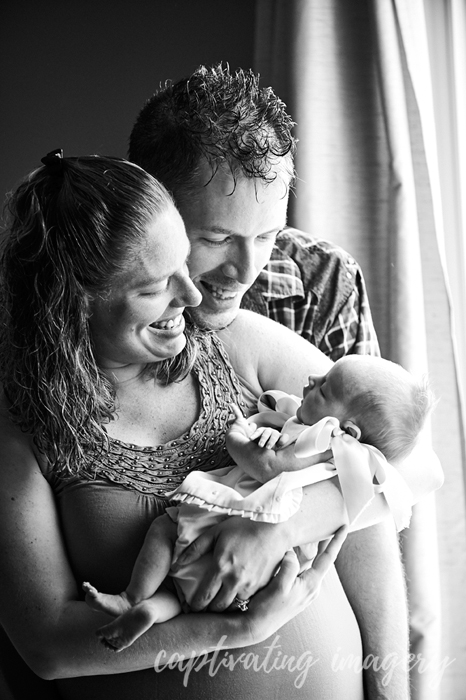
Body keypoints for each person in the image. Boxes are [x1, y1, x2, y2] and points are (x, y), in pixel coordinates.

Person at [0, 150, 376, 700]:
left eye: (184, 262)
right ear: (72, 303)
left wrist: (282, 529)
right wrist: (240, 630)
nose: (193, 295)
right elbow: (47, 645)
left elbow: (398, 461)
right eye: (154, 286)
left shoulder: (239, 343)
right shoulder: (21, 425)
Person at [128, 64, 443, 697]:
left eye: (267, 234)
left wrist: (282, 526)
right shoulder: (97, 314)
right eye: (215, 237)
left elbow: (403, 466)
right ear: (152, 210)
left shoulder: (321, 281)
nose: (245, 268)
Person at [83, 355, 432, 652]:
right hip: (261, 571)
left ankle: (133, 598)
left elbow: (266, 466)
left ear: (347, 431)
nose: (313, 377)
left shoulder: (322, 441)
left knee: (164, 529)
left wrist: (238, 435)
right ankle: (152, 611)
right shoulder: (347, 462)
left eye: (324, 387)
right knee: (185, 595)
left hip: (231, 517)